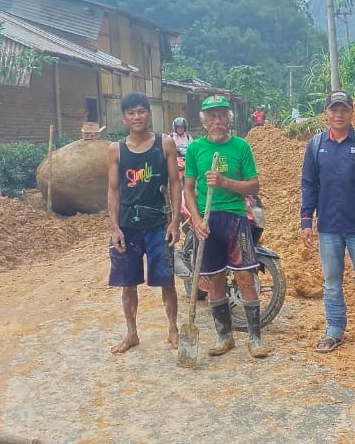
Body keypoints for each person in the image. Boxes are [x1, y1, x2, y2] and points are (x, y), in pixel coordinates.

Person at [183, 95, 271, 358]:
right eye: (212, 117)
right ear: (204, 121)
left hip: (235, 218)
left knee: (245, 277)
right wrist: (196, 220)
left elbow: (254, 185)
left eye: (222, 116)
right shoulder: (194, 148)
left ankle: (255, 339)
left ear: (228, 119)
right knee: (214, 280)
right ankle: (225, 336)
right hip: (207, 222)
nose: (217, 121)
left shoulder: (241, 147)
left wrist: (224, 182)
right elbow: (188, 188)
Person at [300, 91, 355, 353]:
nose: (339, 115)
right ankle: (335, 330)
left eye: (344, 110)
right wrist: (306, 219)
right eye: (334, 110)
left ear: (351, 112)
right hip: (328, 228)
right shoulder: (315, 146)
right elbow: (309, 185)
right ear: (325, 113)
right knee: (332, 282)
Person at [107, 92, 182, 354]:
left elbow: (175, 182)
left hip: (158, 224)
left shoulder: (165, 144)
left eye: (141, 111)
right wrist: (115, 227)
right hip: (128, 226)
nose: (136, 117)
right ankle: (131, 333)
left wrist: (175, 221)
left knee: (166, 280)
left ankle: (173, 328)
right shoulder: (116, 149)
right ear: (125, 117)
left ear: (149, 113)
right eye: (131, 112)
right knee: (128, 283)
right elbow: (114, 190)